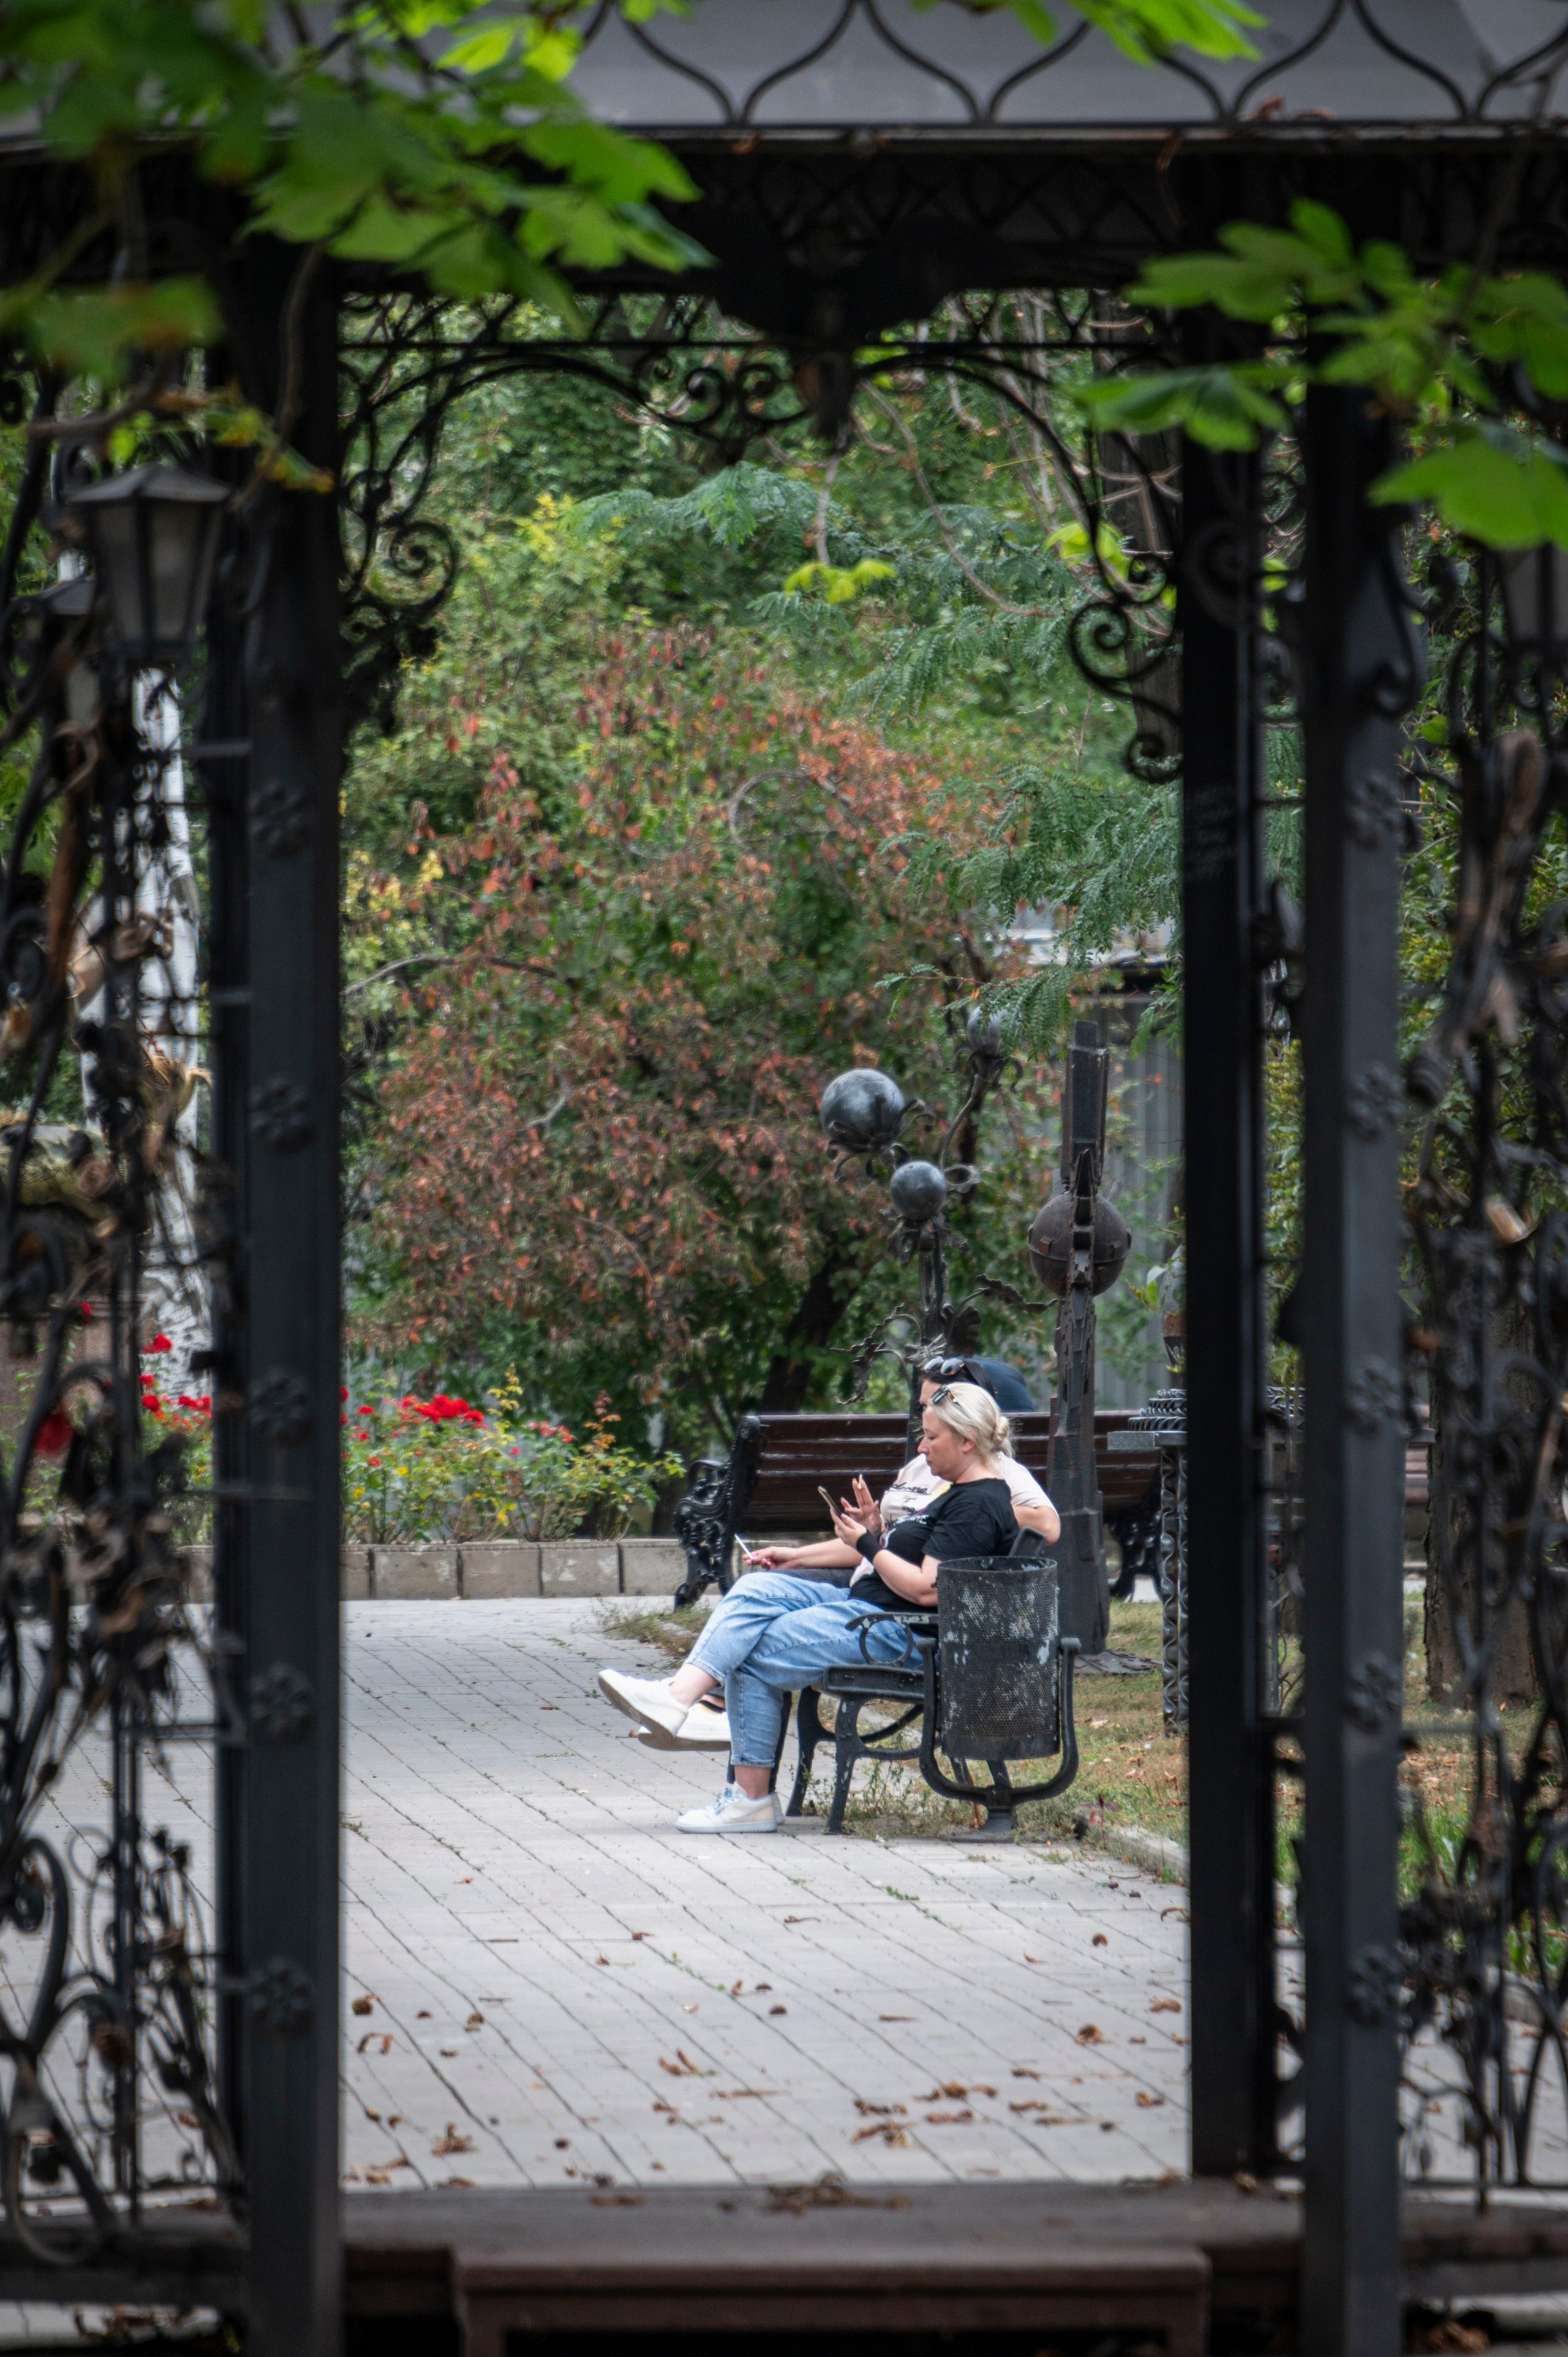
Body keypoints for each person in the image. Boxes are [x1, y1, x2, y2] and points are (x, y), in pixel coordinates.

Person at [597, 1383, 1050, 1834]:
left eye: (932, 1437)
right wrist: (876, 1532)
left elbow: (926, 1590)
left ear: (967, 1440)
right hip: (870, 1607)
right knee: (756, 1591)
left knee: (751, 1649)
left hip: (897, 1631)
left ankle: (749, 1801)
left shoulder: (976, 1503)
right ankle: (677, 1698)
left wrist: (868, 1543)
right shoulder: (958, 1492)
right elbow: (914, 1560)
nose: (922, 1446)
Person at [752, 1357, 1057, 1571]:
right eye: (923, 1406)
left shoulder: (993, 1473)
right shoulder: (922, 1464)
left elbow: (1048, 1526)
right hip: (870, 1575)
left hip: (894, 1599)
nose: (925, 1415)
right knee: (761, 1587)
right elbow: (884, 1545)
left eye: (934, 1405)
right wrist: (796, 1556)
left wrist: (948, 1507)